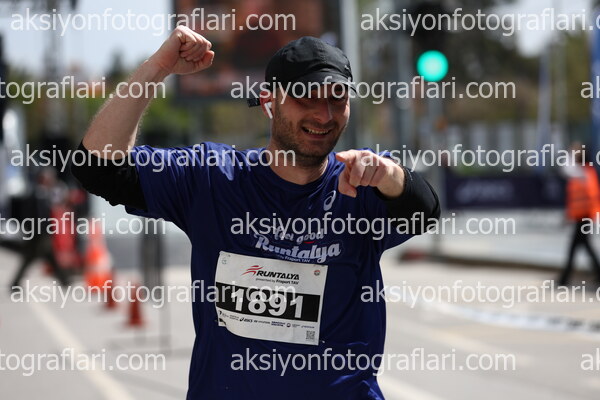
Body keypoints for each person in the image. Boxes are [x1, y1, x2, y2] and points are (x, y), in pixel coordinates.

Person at [72, 26, 440, 399]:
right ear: (269, 102)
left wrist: (391, 176)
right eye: (306, 97)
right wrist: (157, 68)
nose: (324, 114)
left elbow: (424, 211)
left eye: (337, 98)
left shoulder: (360, 183)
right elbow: (97, 168)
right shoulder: (213, 178)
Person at [10, 167, 70, 290]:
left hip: (42, 233)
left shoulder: (45, 194)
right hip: (37, 234)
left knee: (47, 257)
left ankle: (64, 280)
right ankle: (64, 280)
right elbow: (30, 216)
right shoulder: (35, 195)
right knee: (33, 258)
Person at [558, 142, 600, 286]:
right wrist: (568, 215)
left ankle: (564, 279)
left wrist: (593, 214)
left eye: (574, 153)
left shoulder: (584, 172)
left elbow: (565, 168)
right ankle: (566, 278)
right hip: (579, 217)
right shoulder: (580, 172)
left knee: (576, 248)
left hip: (585, 217)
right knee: (583, 246)